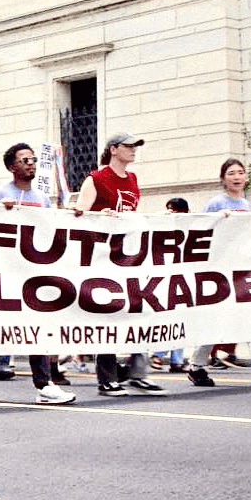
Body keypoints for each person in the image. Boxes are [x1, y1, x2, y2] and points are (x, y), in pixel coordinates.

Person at [74, 133, 165, 397]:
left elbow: (132, 216)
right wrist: (99, 215)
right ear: (113, 149)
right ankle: (107, 378)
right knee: (106, 315)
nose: (133, 150)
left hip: (128, 257)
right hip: (102, 257)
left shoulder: (132, 179)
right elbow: (78, 214)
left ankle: (138, 373)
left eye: (135, 146)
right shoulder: (96, 178)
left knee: (140, 309)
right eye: (128, 146)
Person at [187, 159, 251, 389]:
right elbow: (199, 230)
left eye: (241, 172)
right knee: (217, 320)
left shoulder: (246, 204)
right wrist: (217, 218)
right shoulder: (216, 203)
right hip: (219, 271)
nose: (237, 177)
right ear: (223, 179)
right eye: (231, 173)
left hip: (241, 270)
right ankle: (196, 366)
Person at [0, 143, 75, 405]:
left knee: (37, 326)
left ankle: (43, 384)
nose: (30, 164)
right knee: (2, 331)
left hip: (32, 273)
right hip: (5, 272)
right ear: (11, 166)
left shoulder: (42, 198)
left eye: (33, 160)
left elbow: (49, 229)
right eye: (24, 160)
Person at [150, 198, 190, 373]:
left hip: (183, 279)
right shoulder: (162, 225)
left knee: (181, 321)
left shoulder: (191, 226)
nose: (172, 214)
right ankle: (158, 354)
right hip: (166, 279)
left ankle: (176, 360)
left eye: (175, 210)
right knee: (167, 318)